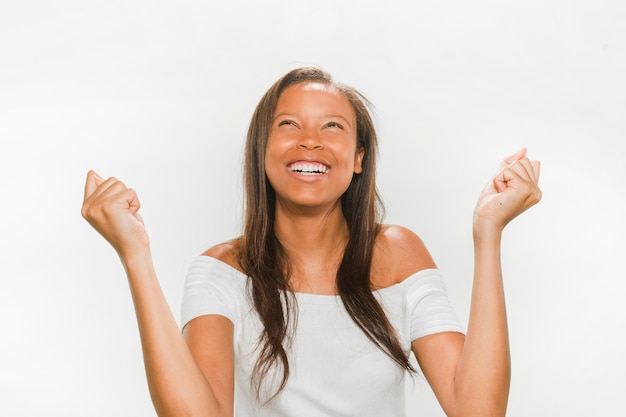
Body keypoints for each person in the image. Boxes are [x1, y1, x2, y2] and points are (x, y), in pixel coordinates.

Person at [81, 66, 542, 417]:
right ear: (262, 151)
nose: (310, 143)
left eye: (332, 127)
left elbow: (477, 410)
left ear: (358, 158)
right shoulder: (222, 270)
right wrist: (135, 256)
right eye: (288, 125)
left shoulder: (399, 254)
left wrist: (488, 235)